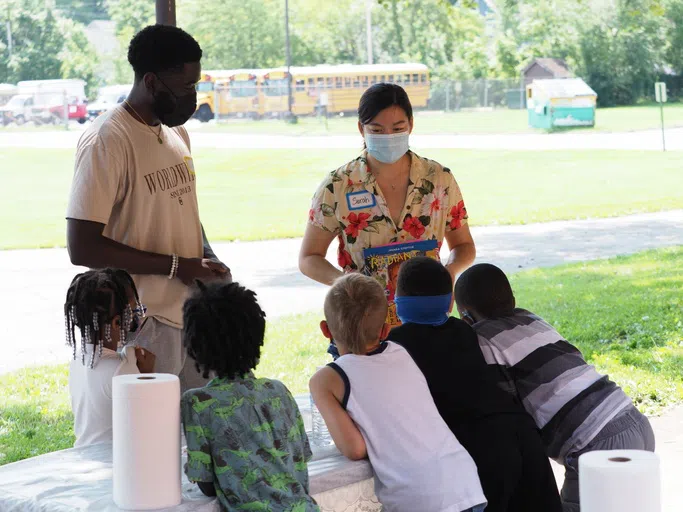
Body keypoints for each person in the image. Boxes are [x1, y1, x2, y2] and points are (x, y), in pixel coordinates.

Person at [65, 25, 230, 392]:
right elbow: (83, 247)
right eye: (187, 87)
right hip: (143, 324)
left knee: (200, 431)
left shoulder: (176, 134)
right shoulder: (108, 139)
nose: (194, 96)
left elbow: (182, 208)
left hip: (191, 314)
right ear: (153, 82)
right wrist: (176, 266)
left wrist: (207, 257)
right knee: (153, 435)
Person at [455, 263, 656, 512]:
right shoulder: (530, 318)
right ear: (513, 299)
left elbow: (506, 407)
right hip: (633, 420)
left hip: (595, 443)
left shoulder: (483, 340)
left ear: (465, 317)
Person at [300, 83, 475, 355]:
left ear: (411, 124)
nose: (388, 136)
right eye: (377, 131)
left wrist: (448, 274)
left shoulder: (439, 179)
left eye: (397, 128)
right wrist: (350, 288)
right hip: (362, 326)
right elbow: (309, 258)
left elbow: (464, 247)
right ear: (361, 129)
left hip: (427, 321)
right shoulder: (338, 185)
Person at [389, 257, 562, 512]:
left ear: (397, 302)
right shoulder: (464, 330)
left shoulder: (396, 345)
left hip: (479, 447)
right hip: (520, 428)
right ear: (450, 303)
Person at [309, 273, 486, 512]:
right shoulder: (400, 352)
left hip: (417, 496)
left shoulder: (326, 380)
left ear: (324, 329)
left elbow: (355, 449)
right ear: (385, 330)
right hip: (463, 480)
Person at [181, 280, 319, 512]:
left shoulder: (198, 403)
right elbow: (299, 463)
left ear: (195, 346)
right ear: (257, 336)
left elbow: (206, 485)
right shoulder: (279, 391)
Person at [65, 268, 156, 448]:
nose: (138, 315)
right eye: (133, 311)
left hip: (83, 453)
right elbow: (146, 421)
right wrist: (147, 375)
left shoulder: (78, 359)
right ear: (116, 323)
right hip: (114, 460)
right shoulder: (122, 369)